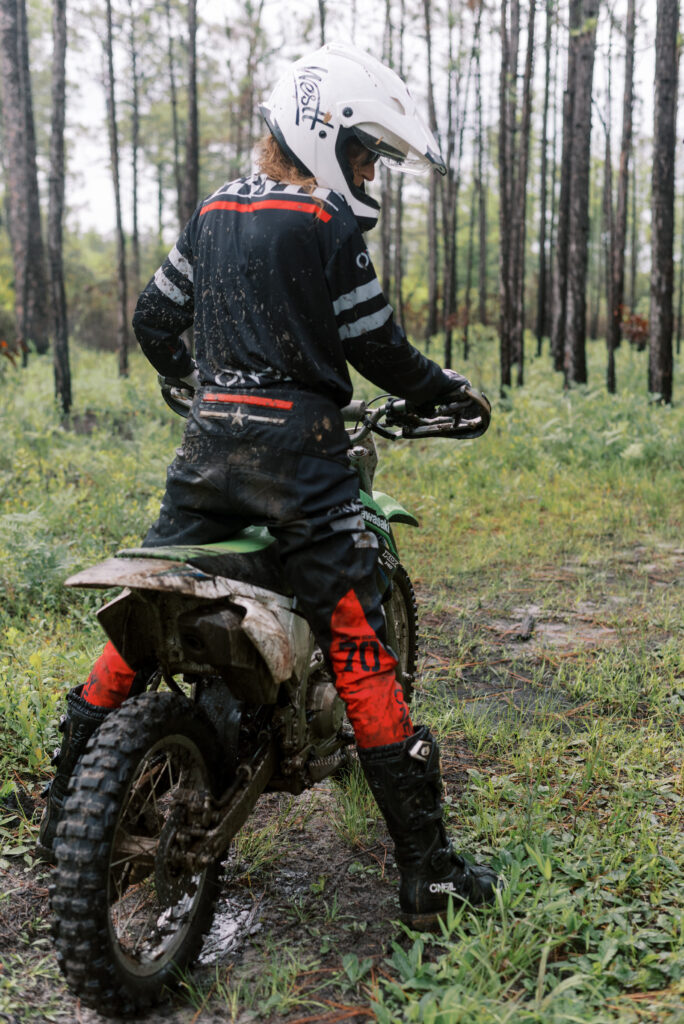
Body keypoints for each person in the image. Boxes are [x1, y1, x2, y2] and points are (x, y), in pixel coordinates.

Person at [38, 42, 499, 927]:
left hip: (206, 461)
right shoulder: (326, 229)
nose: (366, 169)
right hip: (305, 472)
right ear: (322, 133)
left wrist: (192, 383)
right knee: (363, 651)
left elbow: (153, 317)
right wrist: (451, 396)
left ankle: (63, 810)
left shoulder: (212, 212)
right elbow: (379, 351)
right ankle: (430, 876)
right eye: (364, 152)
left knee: (141, 623)